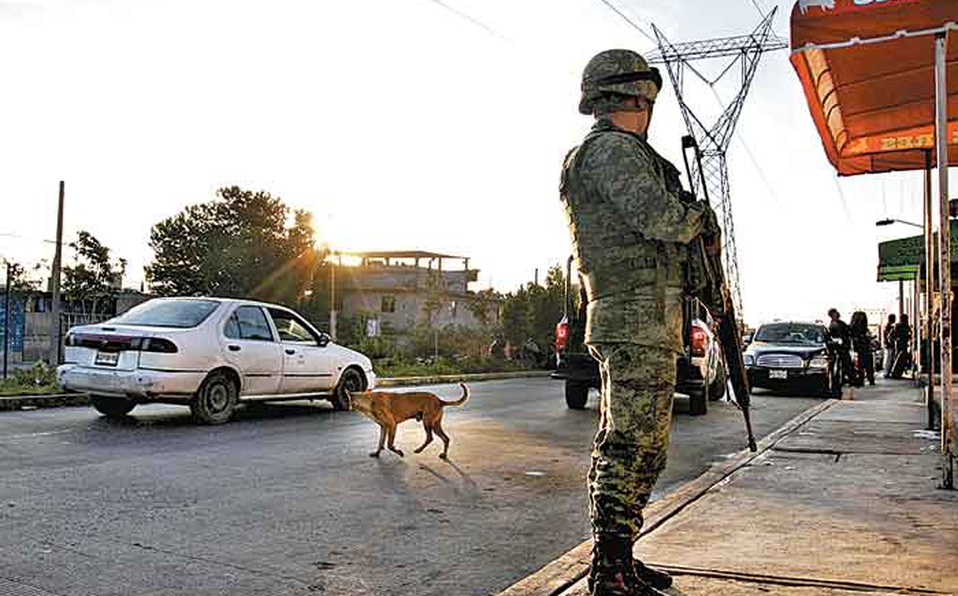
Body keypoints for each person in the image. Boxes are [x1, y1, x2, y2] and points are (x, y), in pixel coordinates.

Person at [559, 49, 720, 596]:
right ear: (635, 98)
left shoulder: (620, 153)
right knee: (629, 444)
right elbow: (663, 219)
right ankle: (609, 569)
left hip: (643, 318)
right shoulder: (611, 152)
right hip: (633, 318)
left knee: (643, 445)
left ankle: (620, 558)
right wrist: (701, 214)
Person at [828, 308, 855, 387]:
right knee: (842, 364)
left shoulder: (840, 323)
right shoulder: (833, 324)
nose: (834, 315)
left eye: (835, 314)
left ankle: (850, 379)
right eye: (833, 314)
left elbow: (847, 333)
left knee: (846, 363)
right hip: (837, 347)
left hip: (843, 346)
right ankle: (845, 378)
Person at [850, 311, 875, 386]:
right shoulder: (863, 329)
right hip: (863, 348)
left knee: (860, 365)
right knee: (867, 364)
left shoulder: (852, 328)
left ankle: (861, 380)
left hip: (857, 349)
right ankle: (870, 379)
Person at [891, 313, 913, 378]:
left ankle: (897, 373)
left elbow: (892, 335)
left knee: (899, 358)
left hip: (900, 344)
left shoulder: (898, 326)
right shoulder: (903, 326)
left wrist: (895, 340)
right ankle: (897, 373)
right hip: (902, 344)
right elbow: (910, 334)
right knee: (901, 358)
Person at [883, 314, 897, 378]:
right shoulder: (890, 326)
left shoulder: (887, 326)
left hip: (888, 344)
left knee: (888, 358)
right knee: (890, 358)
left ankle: (887, 372)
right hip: (890, 345)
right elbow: (890, 336)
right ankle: (887, 373)